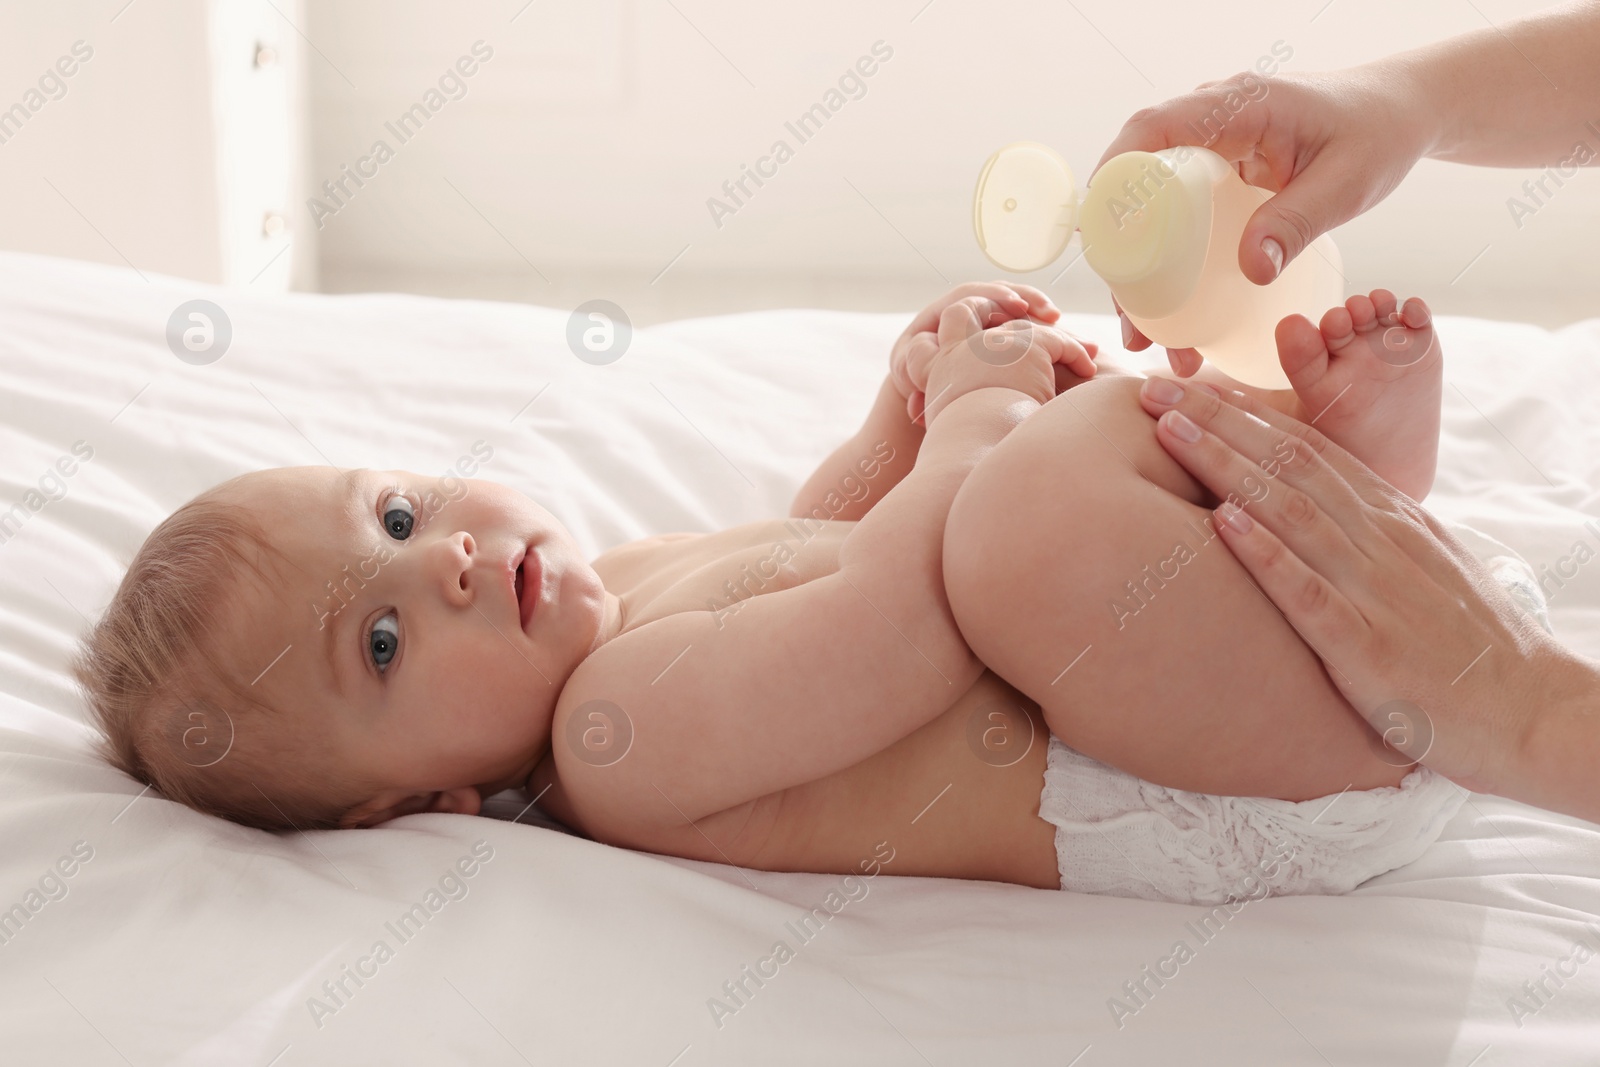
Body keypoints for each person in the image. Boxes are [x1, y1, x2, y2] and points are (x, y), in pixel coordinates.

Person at [70, 279, 1485, 905]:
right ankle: (1341, 502)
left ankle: (1341, 496)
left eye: (395, 512)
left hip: (1227, 677)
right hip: (1240, 781)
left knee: (1072, 475)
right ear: (419, 806)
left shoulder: (606, 606)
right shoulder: (615, 744)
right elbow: (904, 620)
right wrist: (976, 425)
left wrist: (900, 411)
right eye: (379, 638)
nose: (434, 559)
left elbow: (806, 543)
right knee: (1025, 526)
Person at [1099, 0, 1600, 822]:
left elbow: (877, 589)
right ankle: (1360, 461)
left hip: (1480, 706)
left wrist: (1529, 707)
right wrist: (1408, 100)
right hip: (1446, 684)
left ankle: (1352, 460)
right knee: (1250, 467)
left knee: (1177, 486)